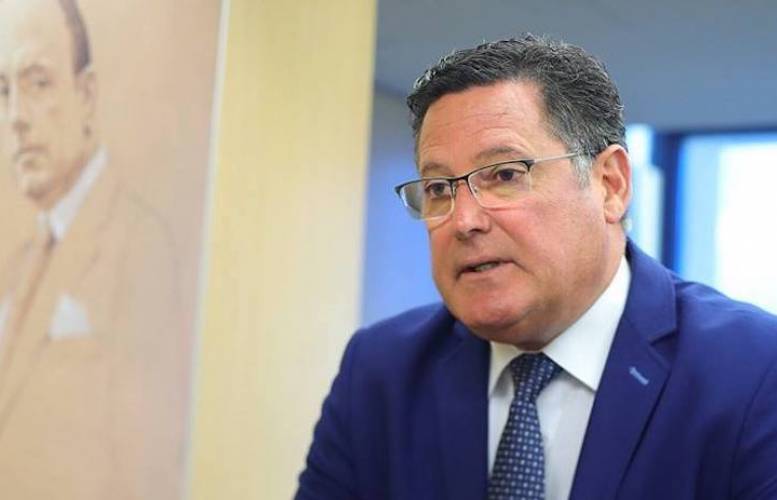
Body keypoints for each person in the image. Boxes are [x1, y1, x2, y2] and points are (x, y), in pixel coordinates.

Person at [296, 35, 777, 500]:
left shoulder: (754, 370)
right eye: (439, 188)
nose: (464, 221)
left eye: (505, 175)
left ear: (610, 185)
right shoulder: (381, 372)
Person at [0, 0, 188, 498]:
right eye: (3, 91)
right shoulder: (16, 269)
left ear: (85, 95)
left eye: (38, 83)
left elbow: (144, 471)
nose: (15, 117)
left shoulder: (140, 247)